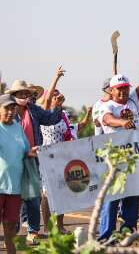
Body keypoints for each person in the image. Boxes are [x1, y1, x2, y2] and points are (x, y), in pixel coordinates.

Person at [97, 38, 139, 241]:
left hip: (134, 155)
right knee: (112, 197)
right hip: (114, 157)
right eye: (119, 88)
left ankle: (128, 229)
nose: (123, 91)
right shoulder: (106, 105)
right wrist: (122, 123)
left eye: (125, 87)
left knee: (132, 193)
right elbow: (107, 120)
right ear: (111, 90)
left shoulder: (133, 99)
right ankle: (105, 235)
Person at [6, 80, 62, 244]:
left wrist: (57, 106)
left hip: (32, 158)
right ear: (13, 96)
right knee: (13, 196)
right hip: (12, 160)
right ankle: (13, 230)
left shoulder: (34, 110)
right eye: (20, 94)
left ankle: (33, 231)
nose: (24, 96)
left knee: (33, 197)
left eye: (26, 93)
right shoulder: (7, 111)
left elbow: (51, 118)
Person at [40, 89, 91, 233]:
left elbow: (73, 130)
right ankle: (48, 228)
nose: (58, 99)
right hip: (47, 157)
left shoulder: (63, 116)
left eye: (59, 96)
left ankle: (59, 225)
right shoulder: (44, 116)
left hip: (62, 158)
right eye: (54, 97)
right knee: (46, 194)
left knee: (62, 192)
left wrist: (88, 113)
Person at [0, 94, 38, 254]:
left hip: (15, 188)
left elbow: (24, 151)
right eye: (6, 108)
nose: (10, 111)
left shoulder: (17, 128)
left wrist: (31, 152)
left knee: (10, 227)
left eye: (12, 108)